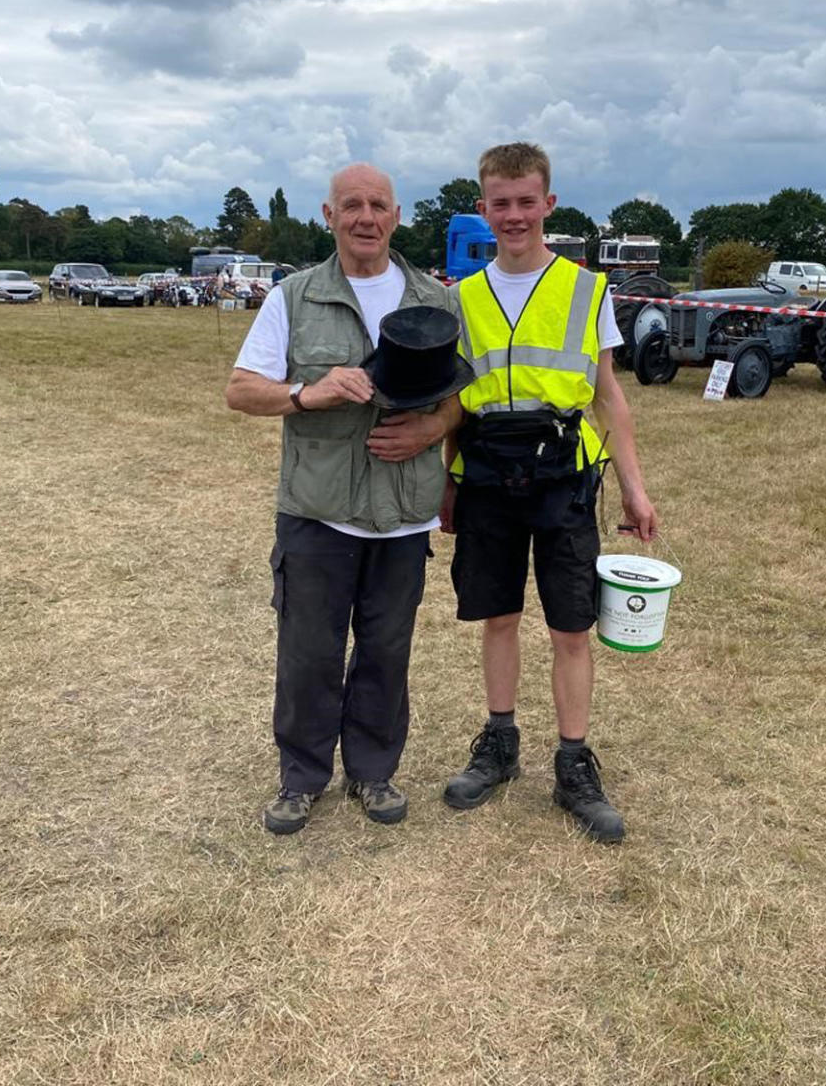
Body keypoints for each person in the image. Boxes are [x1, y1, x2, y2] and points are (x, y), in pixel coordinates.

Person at [225, 163, 462, 835]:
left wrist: (433, 427)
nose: (366, 217)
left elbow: (457, 402)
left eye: (378, 205)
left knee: (387, 652)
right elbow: (241, 390)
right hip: (317, 512)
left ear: (396, 216)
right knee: (308, 654)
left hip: (402, 518)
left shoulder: (436, 301)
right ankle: (301, 779)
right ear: (328, 216)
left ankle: (373, 772)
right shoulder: (293, 298)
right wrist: (308, 393)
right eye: (351, 205)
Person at [441, 142, 658, 845]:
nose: (512, 215)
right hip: (486, 474)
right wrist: (448, 480)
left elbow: (609, 397)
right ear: (483, 209)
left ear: (548, 205)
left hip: (564, 476)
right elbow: (453, 401)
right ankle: (499, 746)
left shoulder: (588, 290)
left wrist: (634, 488)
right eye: (499, 203)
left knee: (571, 626)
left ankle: (573, 765)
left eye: (525, 201)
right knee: (497, 615)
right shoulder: (459, 298)